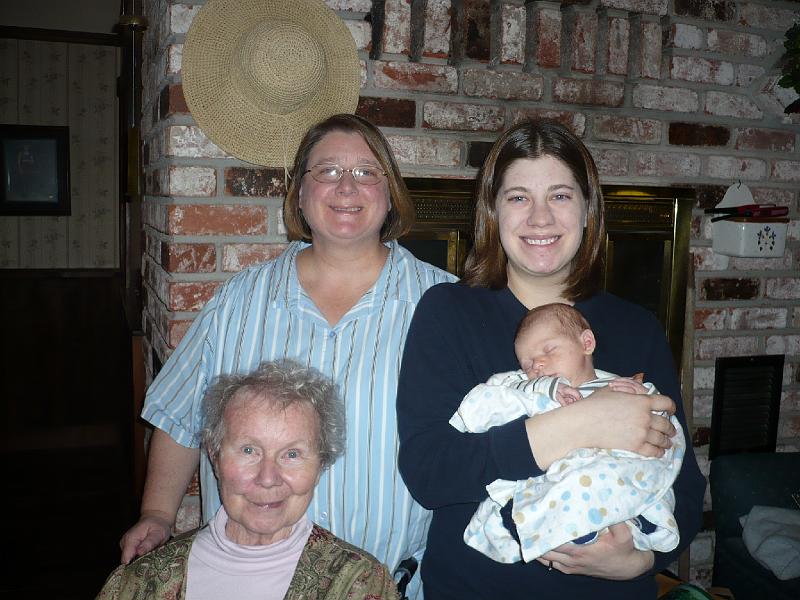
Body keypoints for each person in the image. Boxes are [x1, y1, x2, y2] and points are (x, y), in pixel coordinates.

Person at [120, 114, 456, 599]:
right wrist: (156, 514)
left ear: (390, 193)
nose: (347, 187)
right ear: (299, 192)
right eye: (327, 171)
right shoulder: (240, 300)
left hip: (389, 586)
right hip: (252, 584)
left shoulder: (444, 305)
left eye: (366, 172)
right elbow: (178, 415)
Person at [396, 120, 706, 599]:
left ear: (587, 211)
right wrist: (582, 424)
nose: (540, 219)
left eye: (560, 196)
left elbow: (683, 482)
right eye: (518, 197)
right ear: (493, 212)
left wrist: (642, 561)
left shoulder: (636, 327)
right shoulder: (448, 312)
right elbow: (429, 473)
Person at [98, 360, 399, 599]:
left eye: (292, 454)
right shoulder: (144, 579)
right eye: (248, 450)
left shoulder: (361, 584)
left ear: (320, 466)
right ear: (215, 457)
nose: (268, 478)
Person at [450, 302, 684, 564]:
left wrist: (642, 397)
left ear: (586, 343)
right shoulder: (537, 389)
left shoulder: (617, 381)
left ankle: (643, 519)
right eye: (528, 365)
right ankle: (554, 523)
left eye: (549, 350)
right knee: (570, 482)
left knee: (640, 474)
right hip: (574, 475)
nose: (537, 365)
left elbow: (661, 425)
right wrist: (548, 389)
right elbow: (507, 396)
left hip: (620, 468)